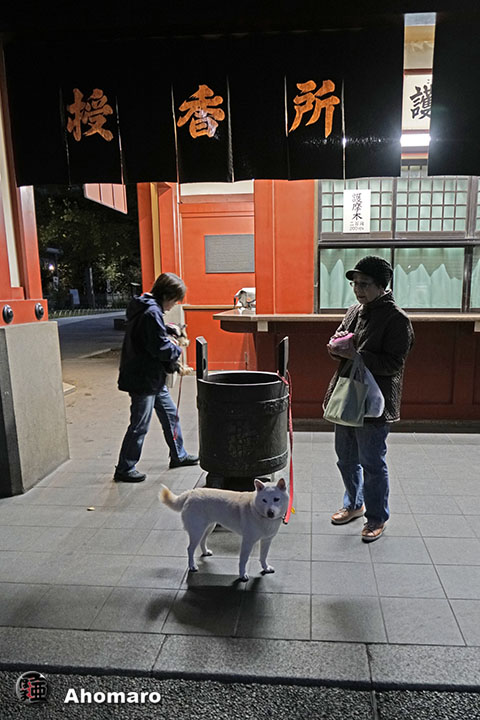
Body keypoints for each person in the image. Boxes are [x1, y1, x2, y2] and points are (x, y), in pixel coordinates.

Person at [324, 255, 414, 542]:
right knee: (346, 458)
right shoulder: (354, 310)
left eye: (364, 284)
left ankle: (376, 518)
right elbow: (341, 340)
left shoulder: (397, 319)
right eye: (354, 283)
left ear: (381, 286)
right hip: (348, 394)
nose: (358, 289)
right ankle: (354, 503)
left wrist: (357, 355)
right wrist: (336, 348)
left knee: (372, 463)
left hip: (376, 401)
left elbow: (394, 364)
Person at [114, 272, 199, 482]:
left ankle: (178, 455)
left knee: (170, 415)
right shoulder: (151, 313)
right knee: (139, 424)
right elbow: (159, 348)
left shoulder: (145, 307)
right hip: (143, 378)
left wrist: (168, 330)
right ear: (166, 295)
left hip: (151, 376)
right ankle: (125, 467)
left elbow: (151, 336)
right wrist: (177, 348)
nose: (173, 305)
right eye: (174, 300)